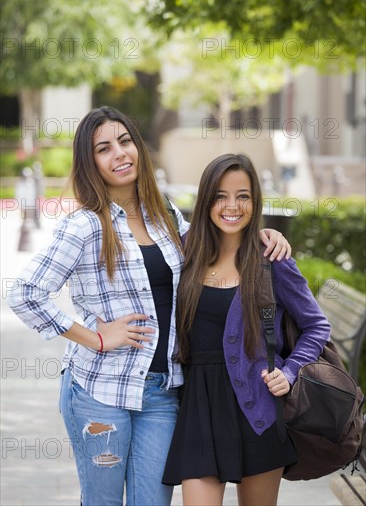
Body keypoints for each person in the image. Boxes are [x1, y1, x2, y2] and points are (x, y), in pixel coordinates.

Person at [8, 108, 291, 506]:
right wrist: (96, 337)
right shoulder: (85, 225)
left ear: (138, 147)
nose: (119, 154)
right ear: (90, 162)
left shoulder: (164, 216)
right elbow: (24, 292)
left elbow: (216, 241)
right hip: (100, 390)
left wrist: (258, 233)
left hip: (162, 393)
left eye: (124, 142)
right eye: (103, 148)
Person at [162, 153, 331, 506]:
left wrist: (289, 371)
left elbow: (316, 325)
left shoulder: (271, 259)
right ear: (206, 199)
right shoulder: (184, 249)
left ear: (255, 201)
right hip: (200, 406)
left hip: (258, 409)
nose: (231, 206)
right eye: (220, 196)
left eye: (243, 196)